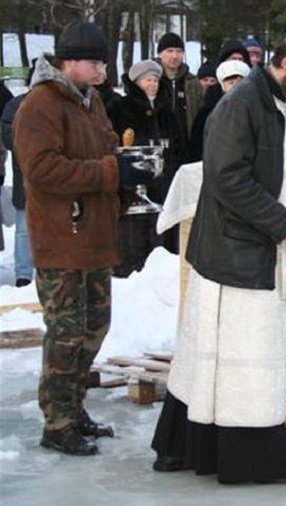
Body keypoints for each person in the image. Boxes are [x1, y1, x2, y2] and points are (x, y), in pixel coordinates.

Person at [151, 22, 286, 484]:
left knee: (208, 356)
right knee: (248, 359)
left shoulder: (275, 104)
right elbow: (227, 178)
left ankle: (182, 447)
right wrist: (282, 223)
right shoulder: (241, 105)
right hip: (238, 258)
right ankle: (256, 456)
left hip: (240, 251)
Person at [13, 21, 156, 456]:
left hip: (93, 235)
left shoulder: (91, 102)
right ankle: (56, 422)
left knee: (96, 326)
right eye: (94, 62)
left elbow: (107, 148)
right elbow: (43, 170)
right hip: (60, 239)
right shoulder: (40, 106)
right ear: (68, 62)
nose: (101, 70)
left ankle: (73, 410)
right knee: (66, 333)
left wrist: (129, 170)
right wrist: (112, 173)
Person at [106, 59, 179, 276]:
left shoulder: (167, 111)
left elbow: (178, 145)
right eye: (148, 79)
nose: (153, 84)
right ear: (137, 82)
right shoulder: (120, 108)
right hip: (131, 189)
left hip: (162, 185)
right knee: (132, 240)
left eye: (156, 79)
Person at [2, 66, 36, 287]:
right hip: (25, 172)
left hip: (55, 175)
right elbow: (6, 134)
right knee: (24, 230)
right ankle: (23, 274)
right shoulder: (16, 104)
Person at [155, 32, 202, 164]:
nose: (174, 56)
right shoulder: (152, 80)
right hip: (159, 148)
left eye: (179, 51)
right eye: (169, 51)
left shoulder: (192, 82)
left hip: (186, 149)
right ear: (160, 53)